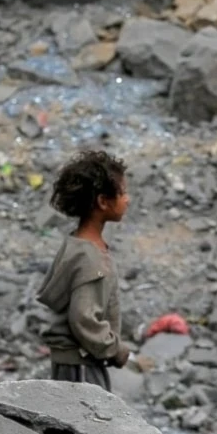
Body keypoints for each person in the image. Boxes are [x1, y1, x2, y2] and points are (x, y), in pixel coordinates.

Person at [37, 150, 132, 391]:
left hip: (72, 363)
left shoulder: (75, 244)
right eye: (122, 193)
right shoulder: (91, 259)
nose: (127, 199)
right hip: (81, 365)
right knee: (88, 426)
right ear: (102, 201)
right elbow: (83, 318)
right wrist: (114, 349)